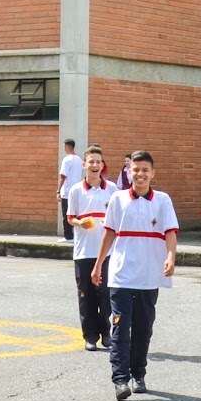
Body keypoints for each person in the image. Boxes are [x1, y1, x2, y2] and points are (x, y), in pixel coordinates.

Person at [91, 149, 178, 401]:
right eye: (135, 170)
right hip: (121, 275)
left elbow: (170, 232)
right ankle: (120, 379)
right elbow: (108, 233)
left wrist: (171, 257)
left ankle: (138, 374)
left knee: (143, 329)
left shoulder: (162, 200)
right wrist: (98, 265)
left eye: (144, 170)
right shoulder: (118, 199)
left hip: (149, 276)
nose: (140, 174)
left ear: (152, 173)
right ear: (129, 172)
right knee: (119, 328)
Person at [66, 146, 115, 351]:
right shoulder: (76, 190)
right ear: (84, 165)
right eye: (91, 162)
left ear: (103, 165)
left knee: (105, 295)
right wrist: (80, 223)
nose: (95, 165)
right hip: (84, 252)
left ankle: (106, 333)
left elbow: (117, 218)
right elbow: (70, 218)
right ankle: (90, 336)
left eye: (98, 162)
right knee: (86, 295)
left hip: (106, 252)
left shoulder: (112, 189)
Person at [57, 139, 84, 241]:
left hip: (67, 191)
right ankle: (75, 235)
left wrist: (58, 191)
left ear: (68, 146)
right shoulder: (79, 160)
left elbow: (63, 177)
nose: (64, 148)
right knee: (76, 213)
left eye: (64, 146)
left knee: (66, 214)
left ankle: (68, 236)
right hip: (77, 191)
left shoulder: (67, 160)